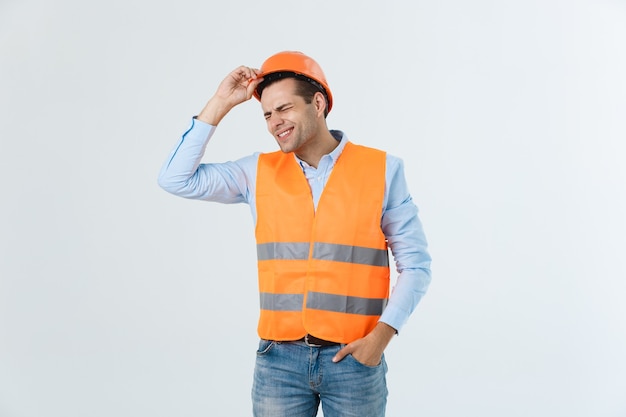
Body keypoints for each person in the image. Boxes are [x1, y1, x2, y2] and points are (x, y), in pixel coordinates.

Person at [158, 51, 432, 417]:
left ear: (317, 104)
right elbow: (174, 178)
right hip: (278, 363)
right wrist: (221, 102)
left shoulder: (382, 169)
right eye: (267, 114)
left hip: (354, 359)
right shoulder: (255, 172)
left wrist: (379, 339)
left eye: (284, 108)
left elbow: (416, 265)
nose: (274, 122)